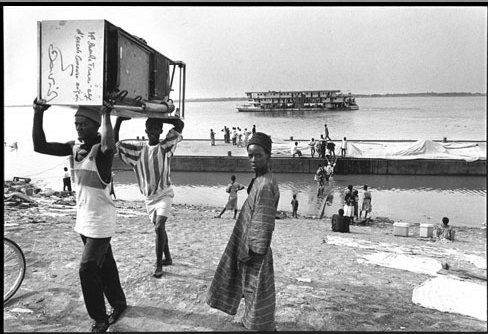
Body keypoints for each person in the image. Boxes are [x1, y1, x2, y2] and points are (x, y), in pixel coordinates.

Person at [32, 100, 126, 333]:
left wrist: (107, 115)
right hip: (84, 219)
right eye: (76, 123)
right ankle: (119, 303)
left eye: (83, 124)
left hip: (101, 221)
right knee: (104, 264)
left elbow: (108, 148)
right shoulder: (73, 148)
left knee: (86, 268)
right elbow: (39, 146)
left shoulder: (101, 153)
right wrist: (38, 114)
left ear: (96, 127)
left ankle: (100, 319)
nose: (78, 127)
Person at [206, 132, 279, 331]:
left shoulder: (264, 185)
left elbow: (263, 224)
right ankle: (251, 321)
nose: (253, 160)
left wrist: (251, 251)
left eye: (258, 155)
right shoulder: (265, 179)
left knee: (256, 292)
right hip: (253, 246)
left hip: (255, 249)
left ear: (268, 155)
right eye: (250, 156)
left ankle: (261, 327)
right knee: (252, 289)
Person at [114, 115, 184, 278]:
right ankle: (168, 257)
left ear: (160, 131)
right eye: (150, 129)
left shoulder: (166, 146)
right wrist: (118, 122)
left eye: (156, 129)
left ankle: (159, 265)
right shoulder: (138, 150)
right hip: (149, 198)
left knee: (159, 227)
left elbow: (179, 124)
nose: (153, 132)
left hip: (165, 193)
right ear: (145, 131)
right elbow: (115, 145)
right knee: (160, 229)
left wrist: (159, 117)